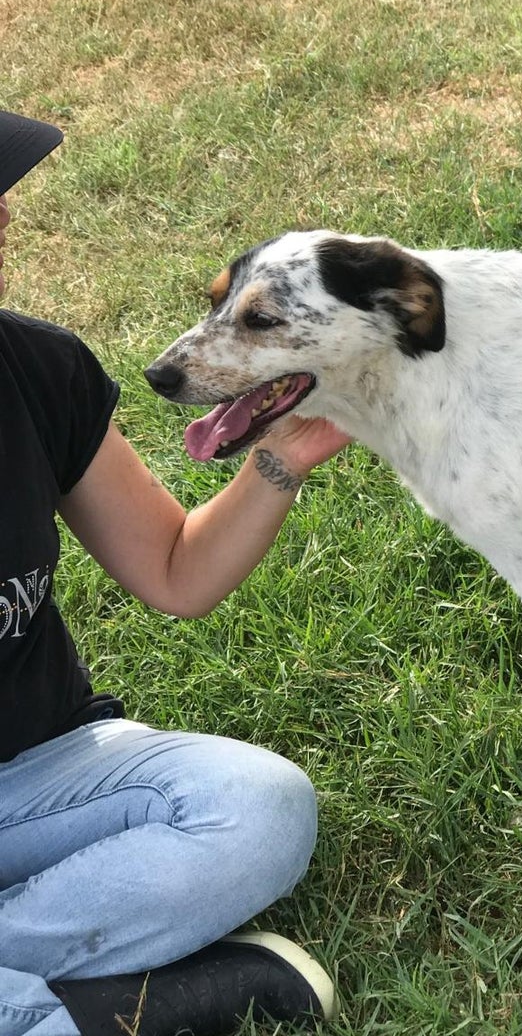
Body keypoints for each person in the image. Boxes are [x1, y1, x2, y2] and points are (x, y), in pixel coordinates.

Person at [0, 109, 351, 1036]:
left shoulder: (35, 368)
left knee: (259, 810)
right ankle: (86, 1012)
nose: (4, 217)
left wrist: (280, 458)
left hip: (36, 780)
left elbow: (173, 570)